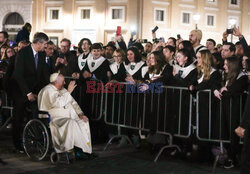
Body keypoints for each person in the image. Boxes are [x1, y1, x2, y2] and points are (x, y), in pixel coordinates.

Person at [12, 32, 50, 152]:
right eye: (45, 44)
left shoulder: (42, 54)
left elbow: (44, 74)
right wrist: (27, 93)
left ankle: (36, 141)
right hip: (20, 90)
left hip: (35, 91)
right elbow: (18, 75)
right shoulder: (23, 53)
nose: (46, 47)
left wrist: (50, 88)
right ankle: (17, 145)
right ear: (38, 43)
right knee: (18, 117)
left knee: (36, 114)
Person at [38, 73, 92, 155]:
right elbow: (58, 103)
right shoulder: (47, 90)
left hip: (68, 116)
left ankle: (86, 150)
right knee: (71, 123)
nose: (65, 83)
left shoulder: (62, 89)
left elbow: (73, 103)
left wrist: (81, 114)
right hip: (55, 118)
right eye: (63, 81)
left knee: (83, 121)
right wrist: (69, 91)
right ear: (56, 82)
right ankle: (73, 150)